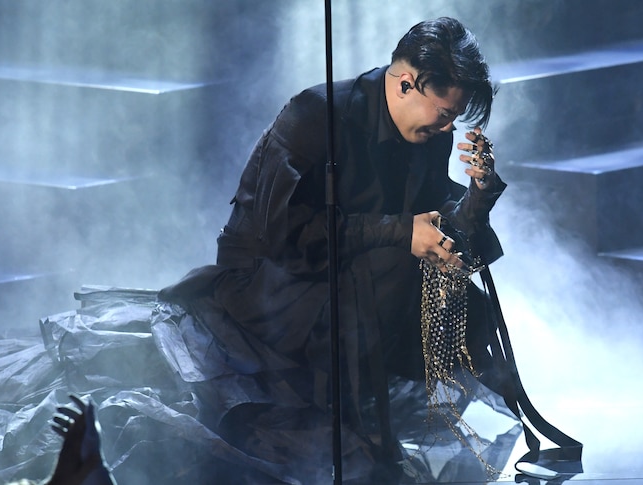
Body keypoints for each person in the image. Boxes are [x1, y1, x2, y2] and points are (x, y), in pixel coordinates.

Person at [157, 15, 514, 484]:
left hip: (362, 271)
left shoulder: (428, 135)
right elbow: (281, 236)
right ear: (407, 83)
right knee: (388, 273)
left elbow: (433, 222)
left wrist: (479, 195)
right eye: (444, 113)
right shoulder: (316, 114)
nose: (449, 128)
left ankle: (422, 433)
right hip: (271, 282)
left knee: (465, 301)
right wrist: (399, 233)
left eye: (455, 118)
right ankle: (359, 441)